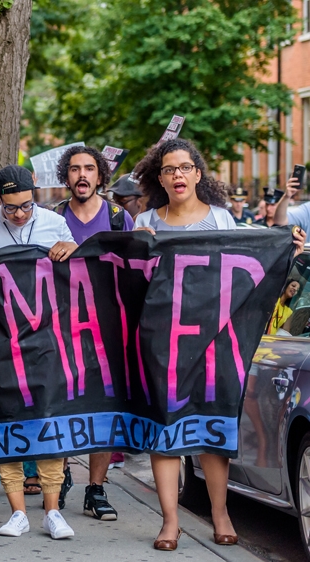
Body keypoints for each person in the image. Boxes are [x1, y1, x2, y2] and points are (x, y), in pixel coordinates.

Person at [132, 137, 305, 550]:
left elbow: (250, 271)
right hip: (162, 346)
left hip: (214, 345)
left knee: (212, 429)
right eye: (170, 169)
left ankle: (221, 513)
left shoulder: (222, 221)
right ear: (161, 177)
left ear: (197, 173)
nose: (178, 175)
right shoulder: (146, 224)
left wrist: (285, 249)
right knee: (165, 431)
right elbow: (128, 284)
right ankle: (170, 522)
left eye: (185, 167)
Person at [0, 165, 77, 540]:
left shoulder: (54, 222)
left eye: (27, 206)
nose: (20, 215)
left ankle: (53, 511)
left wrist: (73, 248)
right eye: (10, 209)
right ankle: (17, 512)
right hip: (1, 337)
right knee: (5, 419)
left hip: (47, 336)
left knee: (49, 420)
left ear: (36, 194)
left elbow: (76, 271)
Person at [54, 145, 135, 521]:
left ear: (101, 175)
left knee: (104, 410)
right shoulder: (50, 218)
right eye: (74, 169)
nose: (81, 175)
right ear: (65, 176)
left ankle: (96, 489)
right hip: (59, 328)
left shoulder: (120, 218)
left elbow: (138, 269)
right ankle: (63, 473)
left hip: (108, 329)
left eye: (89, 168)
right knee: (62, 406)